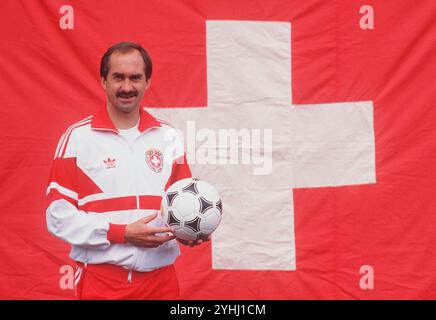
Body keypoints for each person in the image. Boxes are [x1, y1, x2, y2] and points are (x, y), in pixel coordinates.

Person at [46, 42, 209, 300]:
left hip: (161, 283)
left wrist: (189, 231)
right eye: (118, 77)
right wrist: (120, 233)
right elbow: (58, 217)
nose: (126, 87)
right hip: (102, 282)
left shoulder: (169, 137)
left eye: (135, 78)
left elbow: (181, 206)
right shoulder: (77, 138)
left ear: (147, 82)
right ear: (103, 81)